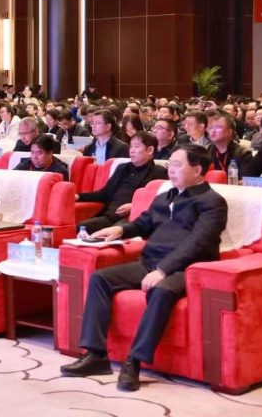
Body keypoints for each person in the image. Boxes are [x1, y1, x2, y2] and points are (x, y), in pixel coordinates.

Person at [61, 144, 227, 392]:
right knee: (100, 278)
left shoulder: (212, 202)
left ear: (197, 169)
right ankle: (95, 355)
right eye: (169, 164)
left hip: (188, 268)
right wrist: (119, 229)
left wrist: (162, 270)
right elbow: (143, 223)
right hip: (150, 262)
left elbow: (198, 243)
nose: (171, 170)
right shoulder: (165, 196)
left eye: (177, 165)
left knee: (160, 290)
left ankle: (134, 361)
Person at [76, 131, 167, 234]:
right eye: (131, 146)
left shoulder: (158, 172)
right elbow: (104, 193)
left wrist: (134, 206)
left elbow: (158, 202)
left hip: (130, 219)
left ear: (150, 150)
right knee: (81, 227)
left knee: (83, 228)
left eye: (137, 146)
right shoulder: (122, 167)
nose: (132, 150)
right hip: (109, 216)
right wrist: (78, 196)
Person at [206, 114, 253, 178]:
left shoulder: (243, 153)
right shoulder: (206, 151)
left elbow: (245, 180)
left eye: (218, 127)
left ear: (229, 132)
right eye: (211, 128)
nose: (213, 131)